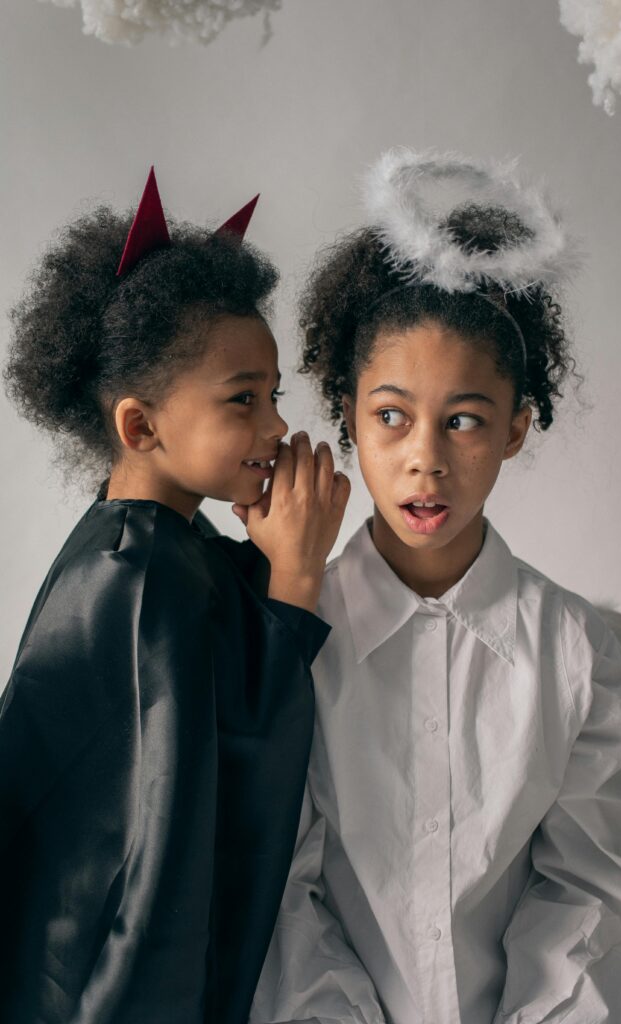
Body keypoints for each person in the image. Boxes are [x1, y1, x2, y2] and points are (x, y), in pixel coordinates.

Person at [250, 150, 621, 1024]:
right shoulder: (289, 634)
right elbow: (279, 894)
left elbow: (593, 899)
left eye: (464, 420)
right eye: (390, 416)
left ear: (516, 427)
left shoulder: (580, 655)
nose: (424, 458)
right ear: (351, 417)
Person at [0, 168, 350, 1024]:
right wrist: (297, 577)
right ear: (141, 426)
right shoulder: (141, 576)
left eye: (273, 395)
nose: (274, 428)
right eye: (241, 400)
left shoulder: (146, 544)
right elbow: (179, 837)